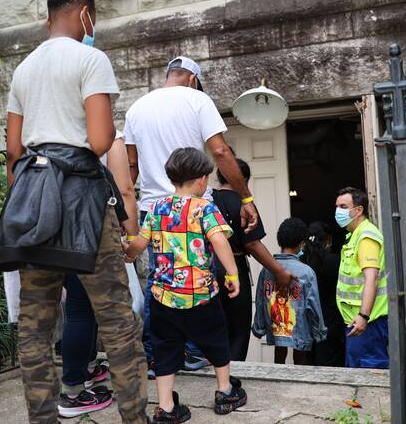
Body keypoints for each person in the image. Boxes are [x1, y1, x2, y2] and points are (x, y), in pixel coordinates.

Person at [0, 0, 148, 423]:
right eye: (93, 20)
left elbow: (13, 150)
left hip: (35, 199)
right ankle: (134, 418)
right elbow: (101, 140)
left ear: (49, 17)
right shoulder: (90, 58)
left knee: (35, 326)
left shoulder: (23, 69)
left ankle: (42, 417)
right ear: (85, 14)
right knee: (116, 319)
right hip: (82, 200)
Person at [124, 56, 274, 374]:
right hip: (193, 208)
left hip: (154, 209)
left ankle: (155, 355)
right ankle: (192, 351)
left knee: (157, 282)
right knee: (198, 277)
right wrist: (245, 197)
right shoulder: (197, 99)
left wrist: (127, 217)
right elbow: (220, 151)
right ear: (193, 79)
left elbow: (131, 166)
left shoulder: (136, 108)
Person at [125, 148, 248, 422]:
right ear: (203, 179)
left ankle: (167, 407)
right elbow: (219, 241)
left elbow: (140, 244)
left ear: (171, 179)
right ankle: (225, 391)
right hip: (200, 294)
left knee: (164, 348)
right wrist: (232, 274)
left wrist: (128, 252)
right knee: (216, 339)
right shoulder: (205, 208)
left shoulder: (157, 208)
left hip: (162, 296)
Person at [57, 131, 141, 418]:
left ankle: (87, 370)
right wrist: (132, 237)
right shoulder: (109, 139)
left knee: (80, 308)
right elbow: (124, 191)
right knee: (92, 311)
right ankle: (73, 391)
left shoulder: (58, 138)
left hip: (63, 233)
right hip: (94, 232)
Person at [211, 159, 294, 361]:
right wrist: (280, 271)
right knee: (237, 331)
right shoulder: (243, 204)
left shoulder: (207, 199)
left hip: (205, 267)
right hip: (234, 268)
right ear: (244, 180)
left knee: (211, 327)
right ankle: (230, 380)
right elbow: (252, 244)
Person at [252, 218, 326, 366]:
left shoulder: (266, 270)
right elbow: (313, 305)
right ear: (301, 244)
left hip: (275, 326)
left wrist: (258, 327)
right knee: (300, 360)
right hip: (299, 330)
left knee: (278, 356)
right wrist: (319, 332)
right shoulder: (306, 272)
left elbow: (260, 301)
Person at [335, 187, 389, 369]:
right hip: (356, 322)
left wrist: (363, 316)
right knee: (357, 376)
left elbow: (371, 278)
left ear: (358, 210)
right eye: (337, 206)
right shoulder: (354, 235)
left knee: (370, 373)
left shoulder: (366, 237)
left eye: (343, 206)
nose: (338, 211)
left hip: (367, 323)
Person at [303, 222, 346, 367]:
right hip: (330, 320)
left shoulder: (303, 261)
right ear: (327, 240)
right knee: (330, 362)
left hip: (307, 320)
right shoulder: (334, 261)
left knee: (309, 361)